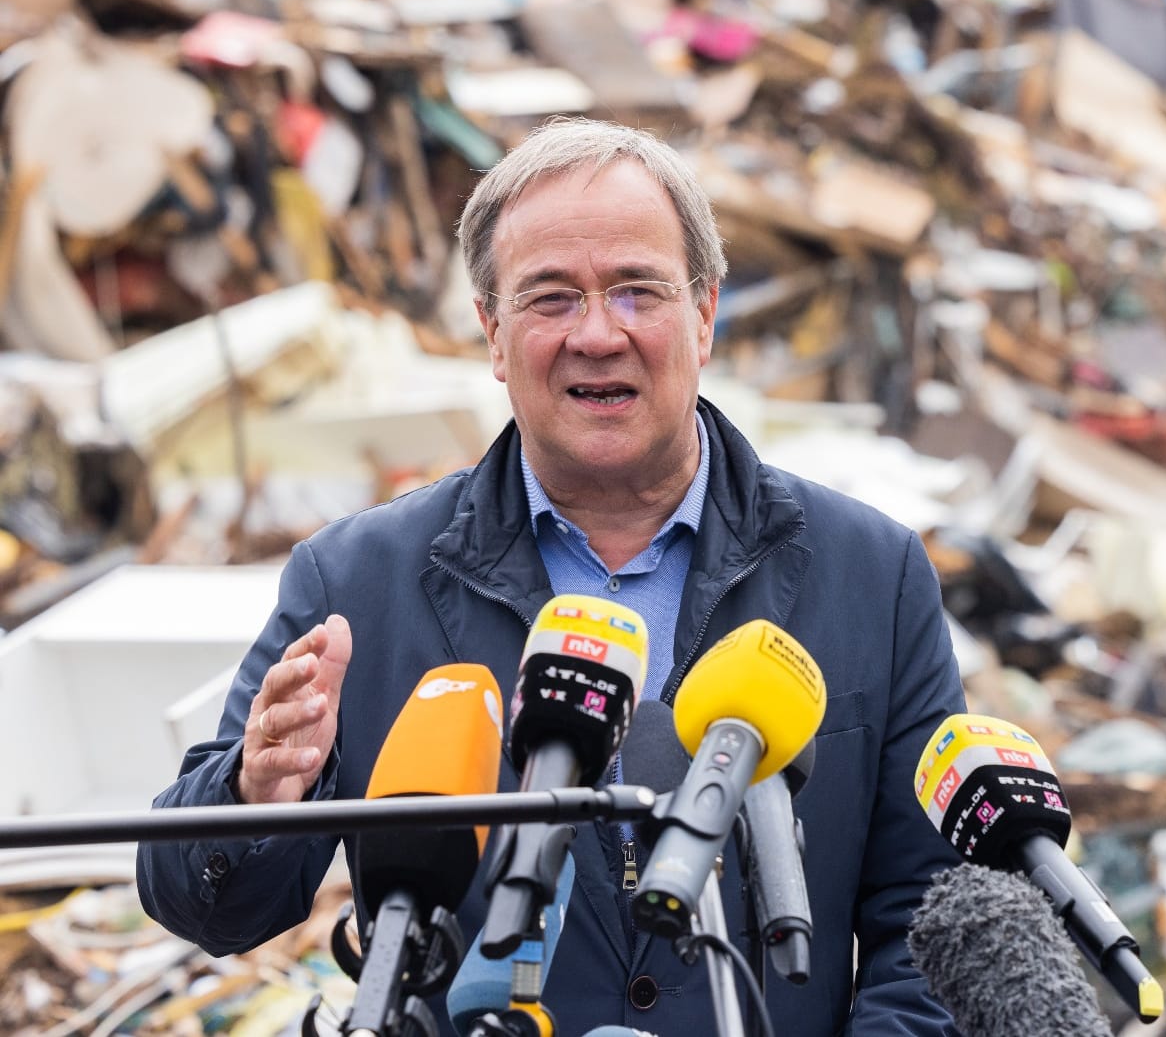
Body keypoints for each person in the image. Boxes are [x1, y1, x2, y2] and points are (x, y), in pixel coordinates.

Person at [136, 118, 966, 1037]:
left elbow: (932, 926)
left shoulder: (872, 575)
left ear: (706, 313)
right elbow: (203, 907)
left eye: (637, 291)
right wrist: (255, 790)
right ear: (493, 334)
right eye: (551, 298)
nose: (598, 334)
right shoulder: (357, 581)